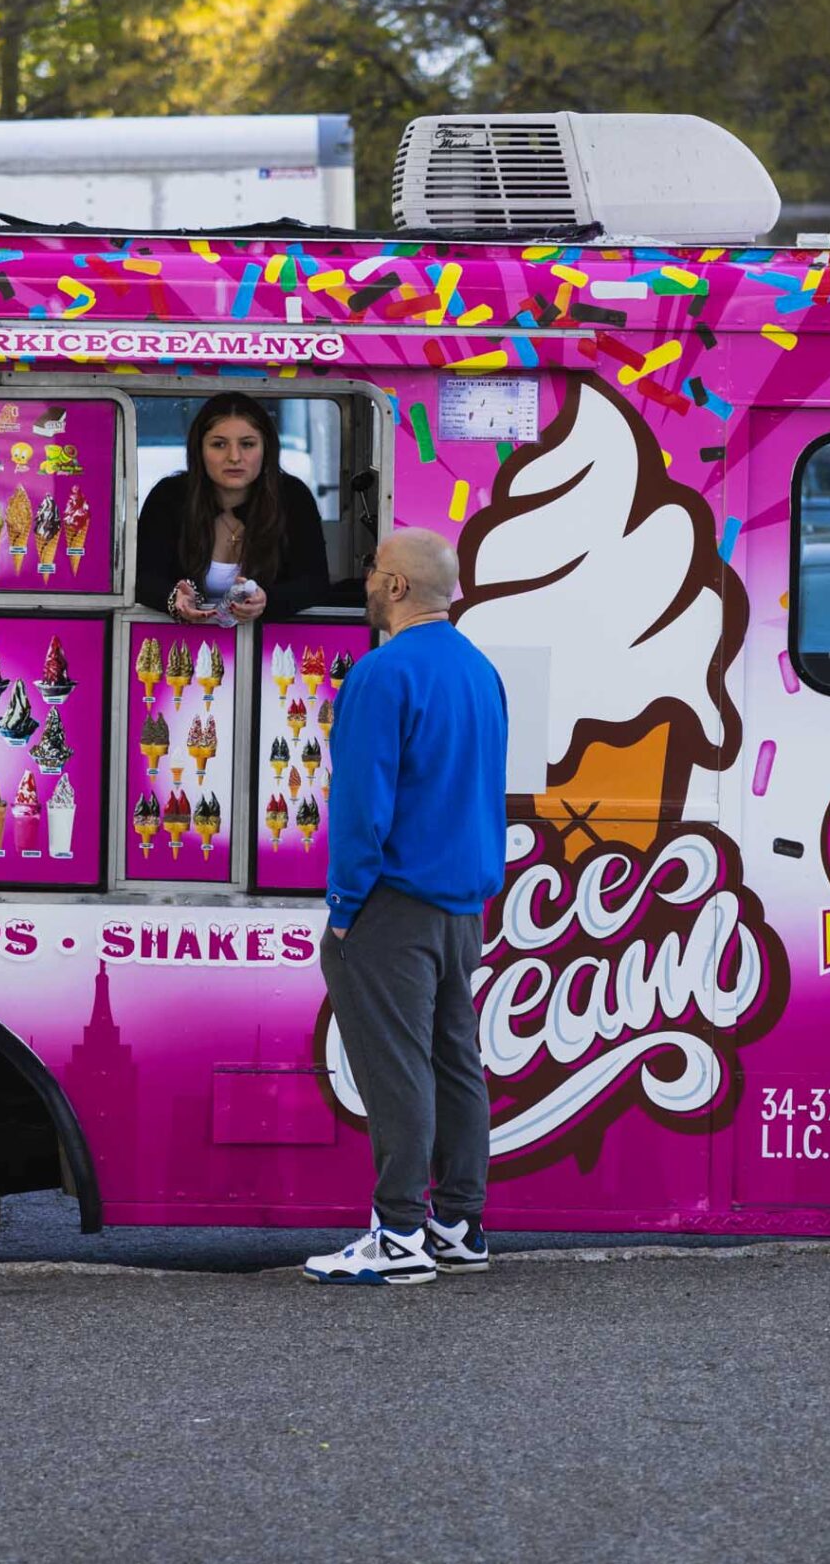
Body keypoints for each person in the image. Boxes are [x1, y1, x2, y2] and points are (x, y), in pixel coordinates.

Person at [303, 528, 509, 1286]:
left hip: (393, 905)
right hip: (464, 909)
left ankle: (397, 1236)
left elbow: (361, 809)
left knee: (397, 1074)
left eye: (371, 571)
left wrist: (345, 907)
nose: (365, 582)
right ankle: (459, 1224)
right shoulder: (480, 671)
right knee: (457, 1064)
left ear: (393, 586)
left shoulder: (383, 675)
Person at [134, 393, 332, 625]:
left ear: (266, 448)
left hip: (271, 649)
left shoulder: (292, 496)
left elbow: (315, 584)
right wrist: (172, 597)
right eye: (219, 444)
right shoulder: (169, 496)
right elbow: (141, 579)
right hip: (178, 646)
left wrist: (267, 601)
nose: (234, 457)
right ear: (199, 450)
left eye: (247, 444)